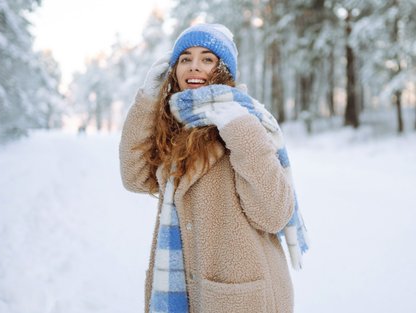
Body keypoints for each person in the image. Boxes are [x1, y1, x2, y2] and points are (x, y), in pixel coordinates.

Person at [119, 23, 308, 313]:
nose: (194, 67)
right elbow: (134, 177)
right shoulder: (174, 127)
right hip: (186, 292)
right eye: (185, 59)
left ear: (224, 70)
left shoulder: (247, 121)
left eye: (207, 59)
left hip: (241, 297)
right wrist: (147, 99)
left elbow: (274, 214)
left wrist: (239, 129)